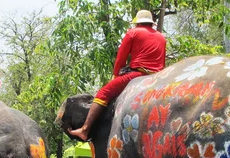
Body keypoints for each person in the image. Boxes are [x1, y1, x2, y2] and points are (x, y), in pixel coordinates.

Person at [69, 10, 167, 141]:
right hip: (158, 77)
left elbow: (121, 59)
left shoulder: (133, 33)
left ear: (137, 22)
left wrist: (116, 75)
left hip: (138, 74)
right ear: (151, 23)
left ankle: (84, 130)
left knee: (103, 94)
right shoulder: (161, 37)